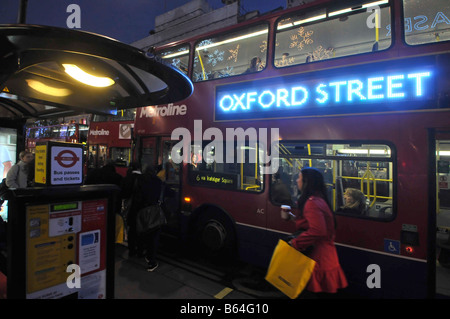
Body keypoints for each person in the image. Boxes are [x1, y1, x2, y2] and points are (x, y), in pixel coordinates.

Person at [282, 167, 348, 297]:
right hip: (325, 257)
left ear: (307, 182)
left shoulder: (312, 203)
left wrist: (294, 243)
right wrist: (292, 218)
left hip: (317, 260)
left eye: (299, 177)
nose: (296, 180)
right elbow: (312, 225)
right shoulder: (319, 199)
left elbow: (318, 231)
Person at [133, 165, 163, 271]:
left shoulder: (139, 179)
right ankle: (152, 262)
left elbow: (135, 194)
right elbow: (168, 193)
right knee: (154, 236)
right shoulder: (158, 181)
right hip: (153, 212)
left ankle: (140, 252)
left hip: (141, 211)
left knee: (142, 233)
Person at [121, 162, 142, 257]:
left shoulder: (127, 178)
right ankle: (140, 248)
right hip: (141, 208)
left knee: (131, 228)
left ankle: (131, 248)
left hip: (131, 207)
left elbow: (124, 193)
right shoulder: (144, 178)